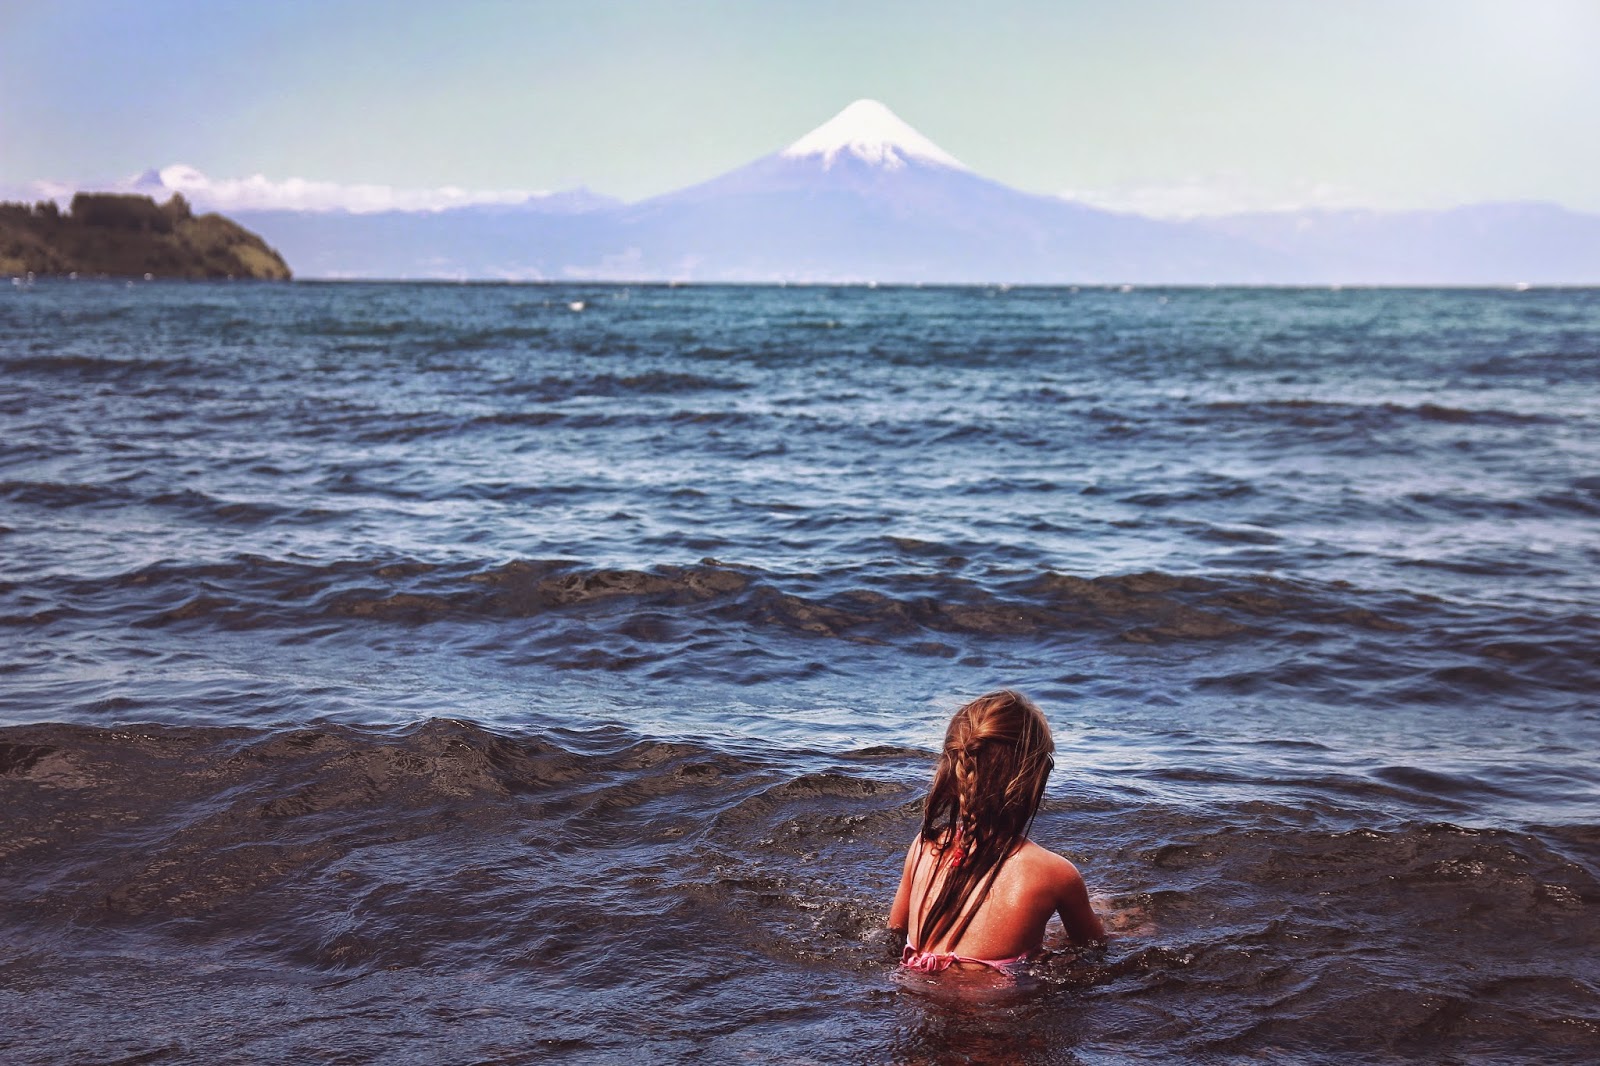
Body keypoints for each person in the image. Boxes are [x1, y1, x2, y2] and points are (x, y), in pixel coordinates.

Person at [889, 689, 1105, 975]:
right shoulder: (1056, 874)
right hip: (999, 1000)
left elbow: (894, 933)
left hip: (911, 989)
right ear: (1033, 777)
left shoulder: (924, 846)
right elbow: (1094, 948)